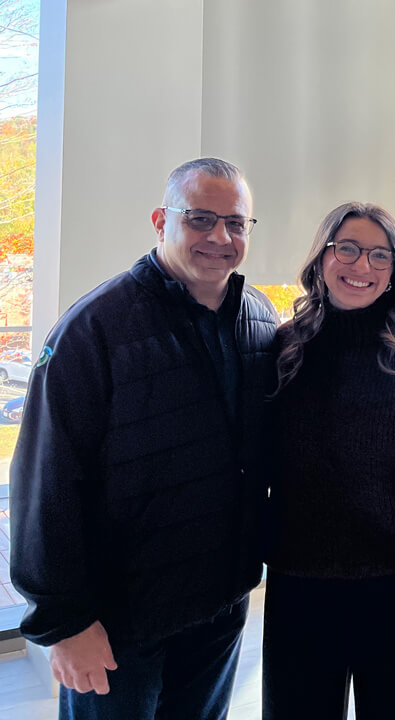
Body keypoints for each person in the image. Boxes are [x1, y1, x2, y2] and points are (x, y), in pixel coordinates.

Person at [9, 158, 278, 718]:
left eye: (235, 223)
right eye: (200, 219)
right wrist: (65, 622)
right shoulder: (94, 328)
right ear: (161, 220)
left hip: (220, 604)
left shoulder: (258, 318)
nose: (220, 237)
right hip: (117, 621)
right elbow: (45, 479)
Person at [262, 202, 395, 719]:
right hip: (300, 590)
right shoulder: (287, 348)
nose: (363, 266)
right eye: (349, 249)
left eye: (381, 255)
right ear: (322, 256)